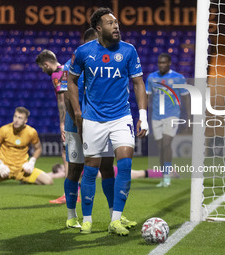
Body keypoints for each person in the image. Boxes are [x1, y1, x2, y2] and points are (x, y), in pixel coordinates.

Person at [68, 8, 149, 236]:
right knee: (91, 171)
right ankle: (87, 219)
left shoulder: (129, 51)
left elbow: (139, 83)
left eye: (117, 23)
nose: (116, 26)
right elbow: (71, 81)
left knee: (124, 165)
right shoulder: (83, 52)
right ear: (98, 28)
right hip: (93, 119)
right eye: (110, 23)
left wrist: (142, 115)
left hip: (121, 117)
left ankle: (115, 220)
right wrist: (77, 111)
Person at [62, 28, 136, 230]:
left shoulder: (109, 57)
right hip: (77, 124)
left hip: (98, 122)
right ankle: (71, 216)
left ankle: (116, 216)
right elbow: (68, 96)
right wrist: (77, 121)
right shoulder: (73, 64)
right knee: (76, 169)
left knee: (106, 168)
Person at [0, 107, 53, 185]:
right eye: (15, 116)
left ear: (25, 120)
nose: (16, 120)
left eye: (20, 118)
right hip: (4, 169)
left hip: (22, 169)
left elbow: (38, 148)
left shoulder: (31, 132)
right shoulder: (4, 130)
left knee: (48, 181)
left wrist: (32, 162)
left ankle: (24, 179)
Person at [146, 53, 191, 187]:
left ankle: (167, 179)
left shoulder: (178, 78)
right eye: (159, 63)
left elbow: (186, 98)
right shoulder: (151, 78)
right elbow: (148, 98)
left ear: (169, 63)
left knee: (166, 143)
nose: (161, 65)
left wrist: (189, 117)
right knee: (161, 148)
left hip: (172, 115)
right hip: (156, 117)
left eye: (164, 62)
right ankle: (165, 174)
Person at [35, 48, 68, 197]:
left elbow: (62, 101)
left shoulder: (56, 75)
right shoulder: (67, 69)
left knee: (66, 154)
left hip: (71, 119)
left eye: (42, 67)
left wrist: (62, 124)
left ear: (47, 64)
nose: (43, 70)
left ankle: (71, 193)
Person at [47, 163, 164, 179]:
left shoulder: (69, 170)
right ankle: (165, 172)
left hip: (111, 172)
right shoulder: (74, 167)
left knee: (139, 174)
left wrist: (49, 175)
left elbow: (59, 174)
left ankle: (166, 172)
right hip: (109, 170)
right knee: (138, 173)